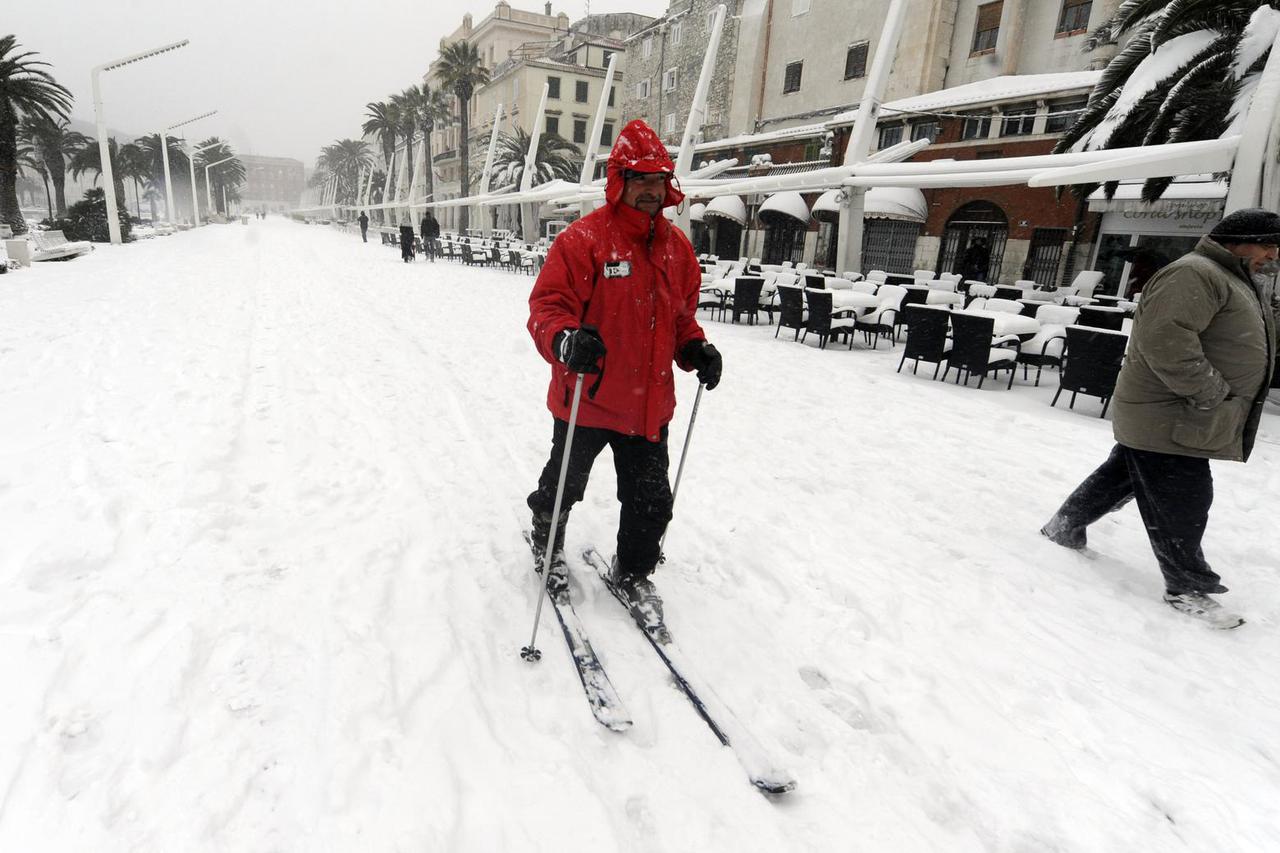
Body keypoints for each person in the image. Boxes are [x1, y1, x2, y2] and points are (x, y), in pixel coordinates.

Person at [1040, 209, 1280, 628]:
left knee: (1125, 473)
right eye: (1268, 245)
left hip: (1174, 414)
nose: (1272, 255)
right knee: (1183, 499)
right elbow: (1166, 340)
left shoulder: (1230, 277)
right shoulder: (1195, 273)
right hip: (1173, 411)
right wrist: (1210, 392)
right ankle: (1187, 586)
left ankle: (1065, 525)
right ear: (1240, 240)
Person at [525, 119, 723, 618]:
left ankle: (633, 571)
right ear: (619, 183)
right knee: (562, 487)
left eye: (657, 181)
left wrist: (695, 348)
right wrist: (566, 340)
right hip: (587, 400)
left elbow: (681, 318)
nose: (650, 191)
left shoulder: (678, 249)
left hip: (649, 407)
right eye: (639, 181)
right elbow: (547, 308)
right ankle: (546, 548)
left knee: (653, 503)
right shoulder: (583, 240)